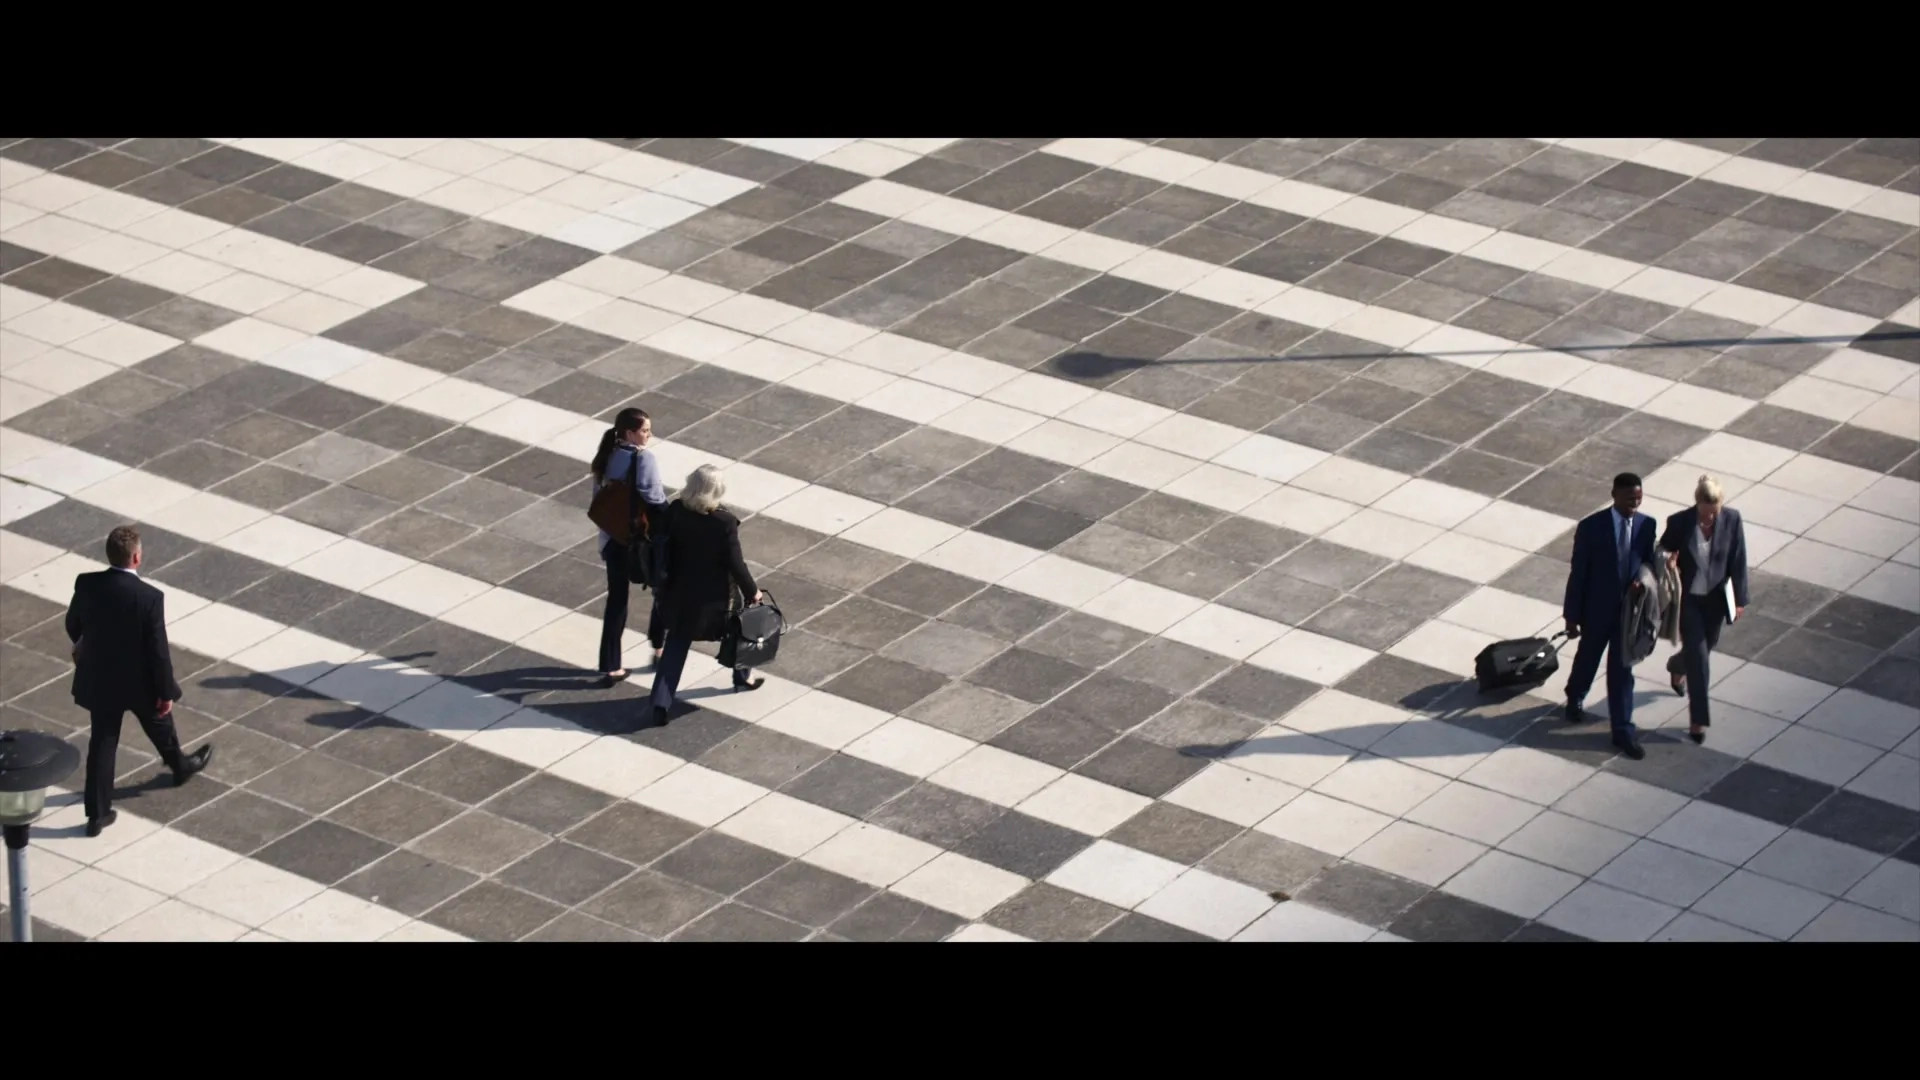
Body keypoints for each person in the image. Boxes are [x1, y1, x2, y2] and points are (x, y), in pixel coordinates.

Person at [64, 526, 212, 837]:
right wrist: (166, 689)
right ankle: (180, 766)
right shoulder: (149, 598)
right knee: (160, 722)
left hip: (101, 679)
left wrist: (87, 645)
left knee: (102, 745)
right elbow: (157, 650)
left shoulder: (87, 584)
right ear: (136, 557)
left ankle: (97, 815)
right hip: (140, 682)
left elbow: (73, 624)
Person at [648, 465, 764, 725]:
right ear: (717, 490)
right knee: (739, 630)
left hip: (678, 596)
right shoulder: (724, 523)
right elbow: (736, 563)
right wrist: (752, 591)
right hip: (715, 601)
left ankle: (660, 702)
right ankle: (742, 676)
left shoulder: (676, 510)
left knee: (676, 647)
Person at [1563, 473, 1658, 760]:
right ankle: (1575, 695)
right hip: (1596, 611)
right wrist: (1571, 616)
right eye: (1630, 498)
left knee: (1622, 672)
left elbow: (1647, 561)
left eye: (1638, 499)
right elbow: (1578, 574)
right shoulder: (1592, 527)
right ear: (1614, 494)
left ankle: (1623, 731)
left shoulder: (1646, 525)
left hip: (1628, 615)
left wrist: (1644, 579)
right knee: (1588, 658)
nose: (1634, 504)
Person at [1659, 475, 1750, 746]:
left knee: (1706, 646)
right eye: (1706, 513)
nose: (1710, 518)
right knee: (1699, 660)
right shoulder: (1680, 522)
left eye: (1715, 512)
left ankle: (1677, 665)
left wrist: (1740, 599)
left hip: (1715, 600)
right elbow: (1662, 549)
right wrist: (1669, 559)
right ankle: (1697, 721)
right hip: (1689, 601)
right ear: (1697, 503)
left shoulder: (1732, 520)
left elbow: (1738, 559)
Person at [590, 407, 666, 687]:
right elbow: (655, 497)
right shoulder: (643, 459)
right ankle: (659, 648)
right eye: (645, 430)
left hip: (613, 539)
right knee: (661, 587)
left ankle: (611, 665)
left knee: (617, 601)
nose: (649, 435)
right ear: (630, 433)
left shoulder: (605, 455)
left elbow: (600, 498)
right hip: (640, 540)